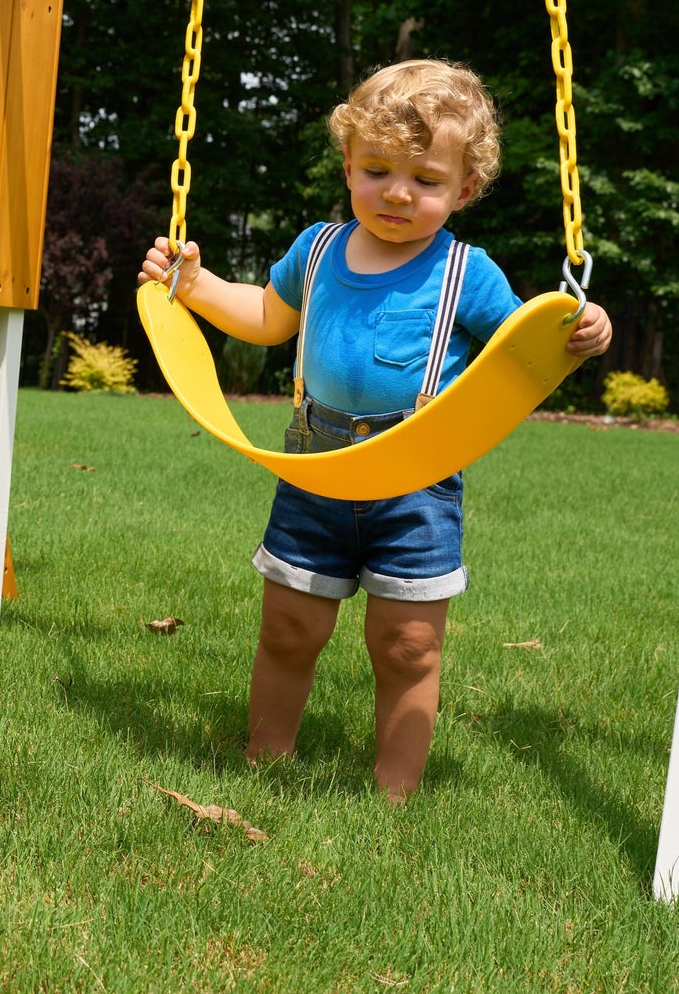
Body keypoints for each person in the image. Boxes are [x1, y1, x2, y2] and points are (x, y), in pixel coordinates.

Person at [139, 59, 612, 801]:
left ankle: (393, 796)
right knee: (288, 628)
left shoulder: (468, 272)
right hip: (314, 468)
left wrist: (580, 326)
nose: (396, 192)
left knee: (408, 644)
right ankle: (265, 762)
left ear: (464, 189)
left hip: (415, 479)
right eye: (376, 169)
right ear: (348, 164)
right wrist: (192, 285)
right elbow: (266, 319)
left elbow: (522, 351)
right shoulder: (318, 249)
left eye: (424, 180)